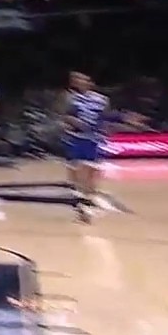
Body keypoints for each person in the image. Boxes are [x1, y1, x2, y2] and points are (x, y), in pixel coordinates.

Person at [59, 71, 108, 223]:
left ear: (89, 81)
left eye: (81, 79)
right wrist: (71, 122)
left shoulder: (101, 100)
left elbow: (105, 119)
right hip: (75, 139)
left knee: (90, 178)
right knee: (75, 176)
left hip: (93, 141)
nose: (77, 82)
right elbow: (64, 117)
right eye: (75, 80)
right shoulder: (69, 98)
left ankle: (87, 207)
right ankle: (82, 209)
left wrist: (103, 134)